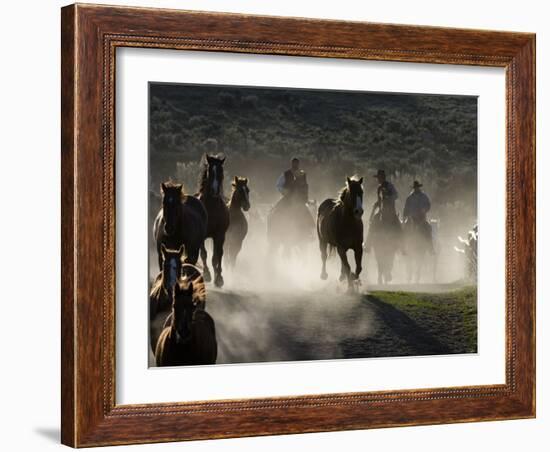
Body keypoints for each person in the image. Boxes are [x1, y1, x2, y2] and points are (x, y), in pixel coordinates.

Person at [403, 180, 434, 253]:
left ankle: (431, 248)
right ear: (414, 188)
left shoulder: (424, 196)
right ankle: (404, 248)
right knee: (405, 230)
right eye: (415, 187)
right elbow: (406, 208)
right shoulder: (410, 197)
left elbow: (428, 205)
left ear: (419, 187)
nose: (416, 189)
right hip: (412, 219)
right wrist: (405, 215)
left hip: (422, 219)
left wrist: (425, 209)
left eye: (417, 187)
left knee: (428, 228)